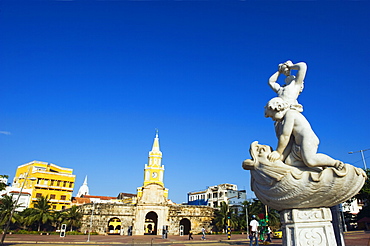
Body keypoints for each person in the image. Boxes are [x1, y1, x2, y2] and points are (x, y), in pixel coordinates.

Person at [264, 97, 344, 170]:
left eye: (272, 116)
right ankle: (319, 166)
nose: (273, 119)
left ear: (277, 109)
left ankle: (335, 163)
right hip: (298, 144)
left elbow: (285, 136)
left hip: (308, 139)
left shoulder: (290, 114)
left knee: (310, 161)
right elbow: (289, 143)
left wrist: (278, 152)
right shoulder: (285, 119)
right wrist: (281, 158)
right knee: (289, 162)